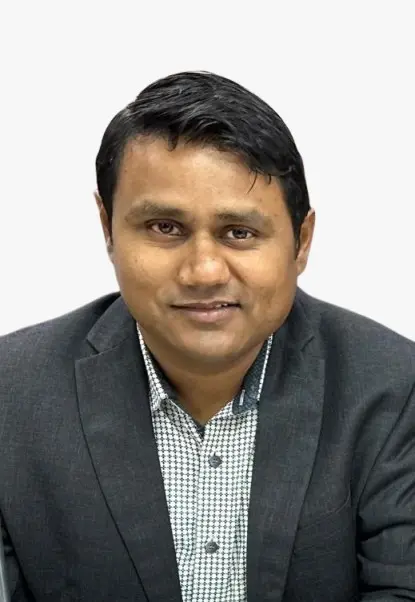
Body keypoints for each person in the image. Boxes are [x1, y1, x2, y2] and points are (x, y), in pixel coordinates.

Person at [1, 71, 414, 602]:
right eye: (164, 228)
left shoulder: (394, 388)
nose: (203, 271)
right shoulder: (12, 395)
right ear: (108, 229)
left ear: (302, 241)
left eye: (239, 233)